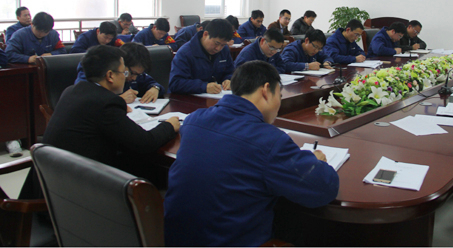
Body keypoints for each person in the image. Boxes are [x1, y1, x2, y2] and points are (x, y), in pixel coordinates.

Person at [164, 61, 339, 247]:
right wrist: (313, 162)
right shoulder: (269, 141)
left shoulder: (193, 120)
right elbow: (324, 189)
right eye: (279, 96)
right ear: (266, 90)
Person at [43, 45, 179, 168]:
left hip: (52, 172)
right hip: (82, 178)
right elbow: (145, 143)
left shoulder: (70, 90)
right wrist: (169, 125)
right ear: (110, 76)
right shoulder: (105, 103)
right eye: (124, 72)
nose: (127, 77)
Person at [75, 42, 165, 104]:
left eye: (138, 74)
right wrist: (118, 100)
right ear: (122, 63)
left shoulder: (136, 75)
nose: (134, 78)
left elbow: (151, 82)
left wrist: (155, 88)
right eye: (133, 73)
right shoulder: (95, 69)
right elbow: (83, 97)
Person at [169, 18, 235, 95]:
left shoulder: (224, 50)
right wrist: (204, 86)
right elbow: (175, 83)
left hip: (216, 97)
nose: (218, 48)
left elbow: (230, 71)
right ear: (205, 34)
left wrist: (229, 80)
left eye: (223, 45)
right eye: (216, 43)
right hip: (189, 99)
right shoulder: (185, 53)